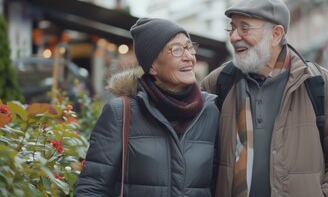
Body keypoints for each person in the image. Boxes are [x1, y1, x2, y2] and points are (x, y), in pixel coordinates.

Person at [201, 0, 328, 197]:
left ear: (276, 34)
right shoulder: (218, 83)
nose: (234, 36)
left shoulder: (320, 85)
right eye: (232, 28)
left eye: (244, 28)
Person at [75, 18, 220, 197]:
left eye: (189, 47)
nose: (189, 57)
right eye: (176, 50)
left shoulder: (209, 111)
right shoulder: (121, 112)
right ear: (152, 65)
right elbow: (92, 187)